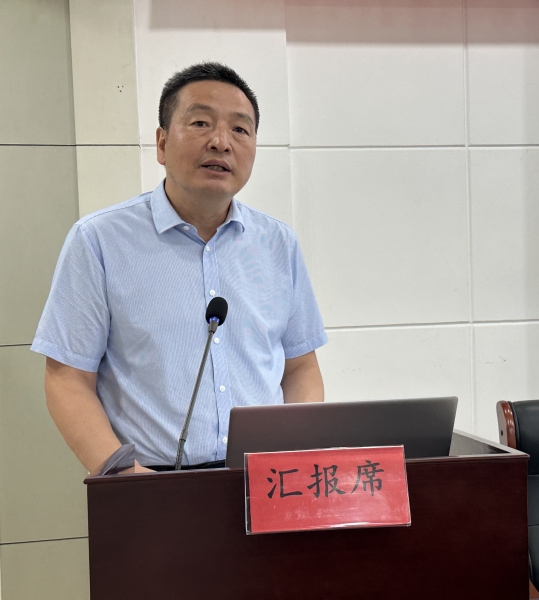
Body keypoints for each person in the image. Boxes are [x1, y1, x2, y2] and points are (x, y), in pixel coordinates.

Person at [32, 63, 327, 473]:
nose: (221, 142)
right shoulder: (99, 240)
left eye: (240, 129)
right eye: (201, 123)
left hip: (266, 478)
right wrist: (124, 475)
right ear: (162, 143)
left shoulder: (278, 243)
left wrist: (296, 455)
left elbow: (299, 368)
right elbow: (67, 377)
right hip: (150, 482)